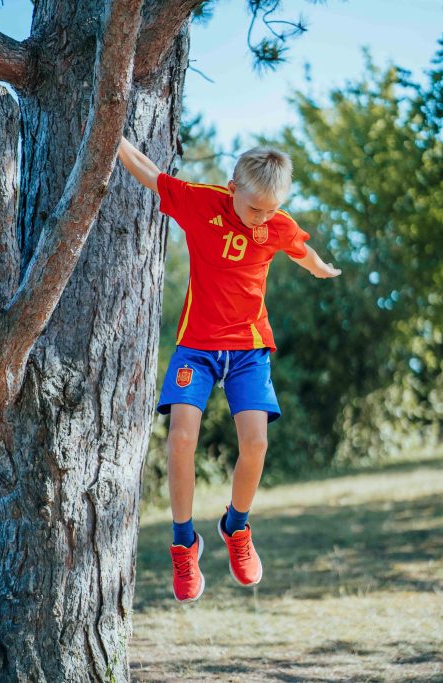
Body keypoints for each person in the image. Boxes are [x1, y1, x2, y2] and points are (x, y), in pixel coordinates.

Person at [118, 136, 341, 603]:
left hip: (248, 349)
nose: (262, 218)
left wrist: (320, 268)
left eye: (271, 210)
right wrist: (110, 133)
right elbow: (149, 172)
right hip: (196, 347)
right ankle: (184, 542)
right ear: (232, 187)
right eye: (255, 208)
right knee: (181, 438)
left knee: (256, 443)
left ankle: (236, 527)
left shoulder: (277, 223)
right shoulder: (201, 203)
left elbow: (300, 249)